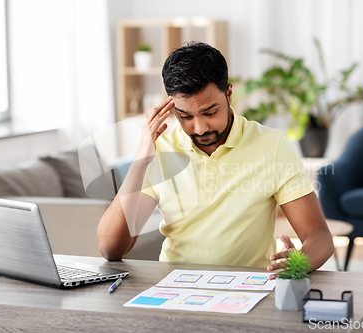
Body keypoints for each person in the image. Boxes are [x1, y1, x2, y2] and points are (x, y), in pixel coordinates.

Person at [97, 42, 334, 278]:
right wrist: (140, 161)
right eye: (185, 116)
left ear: (229, 93)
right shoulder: (160, 149)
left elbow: (319, 236)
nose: (200, 128)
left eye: (210, 112)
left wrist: (300, 262)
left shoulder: (272, 146)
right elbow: (110, 249)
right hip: (175, 288)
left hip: (248, 288)